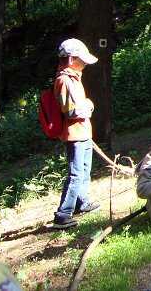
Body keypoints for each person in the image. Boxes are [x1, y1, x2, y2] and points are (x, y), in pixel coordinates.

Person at [52, 38, 100, 230]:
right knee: (76, 174)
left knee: (84, 170)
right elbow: (71, 111)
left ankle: (82, 202)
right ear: (72, 59)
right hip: (75, 135)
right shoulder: (64, 80)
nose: (85, 64)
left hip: (83, 133)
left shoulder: (74, 78)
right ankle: (63, 214)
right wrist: (89, 106)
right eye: (82, 60)